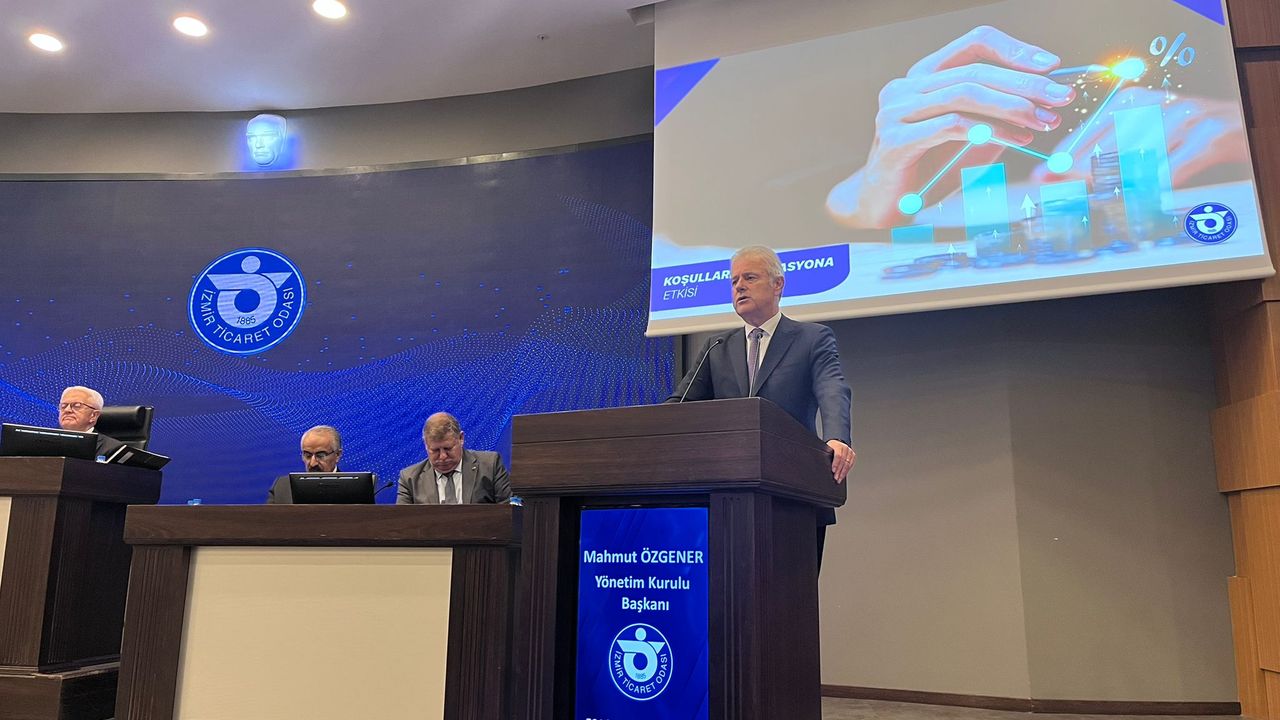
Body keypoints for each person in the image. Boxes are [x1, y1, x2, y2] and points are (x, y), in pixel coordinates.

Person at [666, 246, 855, 553]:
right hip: (728, 494)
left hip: (794, 493)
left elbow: (833, 388)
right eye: (734, 281)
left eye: (750, 278)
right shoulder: (717, 346)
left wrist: (837, 438)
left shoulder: (812, 338)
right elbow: (679, 406)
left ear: (778, 284)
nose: (739, 286)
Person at [396, 412, 511, 505]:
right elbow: (402, 522)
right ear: (426, 444)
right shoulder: (409, 479)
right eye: (435, 450)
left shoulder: (490, 465)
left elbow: (511, 510)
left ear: (461, 438)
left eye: (448, 448)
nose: (443, 456)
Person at [266, 425, 343, 504]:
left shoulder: (350, 488)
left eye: (320, 455)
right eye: (307, 455)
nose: (313, 463)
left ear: (337, 455)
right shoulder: (282, 487)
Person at [58, 385, 125, 458]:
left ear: (94, 415)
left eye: (77, 405)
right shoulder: (48, 442)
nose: (67, 410)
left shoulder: (114, 450)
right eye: (63, 406)